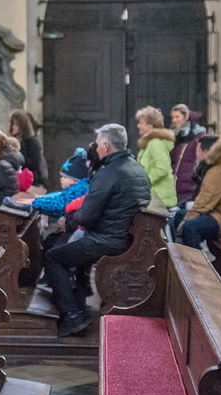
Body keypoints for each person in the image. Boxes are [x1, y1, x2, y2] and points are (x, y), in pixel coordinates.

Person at [44, 124, 151, 337]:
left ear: (105, 145)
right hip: (125, 237)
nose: (96, 148)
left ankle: (74, 315)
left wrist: (69, 222)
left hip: (108, 240)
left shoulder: (109, 173)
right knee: (64, 244)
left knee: (53, 257)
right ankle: (79, 301)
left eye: (98, 143)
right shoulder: (136, 168)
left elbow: (86, 216)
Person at [176, 135, 221, 249]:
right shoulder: (220, 167)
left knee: (191, 227)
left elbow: (203, 203)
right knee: (180, 215)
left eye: (198, 150)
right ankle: (183, 255)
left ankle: (194, 263)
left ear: (206, 152)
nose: (196, 154)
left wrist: (183, 224)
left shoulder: (219, 171)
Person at [135, 106, 177, 209]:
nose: (138, 126)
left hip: (158, 199)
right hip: (155, 198)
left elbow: (162, 168)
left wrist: (144, 183)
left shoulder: (155, 143)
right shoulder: (149, 143)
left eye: (141, 123)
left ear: (150, 126)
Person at [31, 147, 90, 220]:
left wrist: (35, 202)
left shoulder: (77, 192)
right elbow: (59, 196)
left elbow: (60, 204)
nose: (61, 179)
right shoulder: (74, 190)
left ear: (75, 180)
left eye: (65, 177)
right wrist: (42, 198)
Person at [169, 103, 206, 203]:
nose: (174, 120)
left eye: (177, 117)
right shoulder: (177, 137)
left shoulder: (198, 137)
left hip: (190, 187)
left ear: (186, 117)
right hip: (177, 185)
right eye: (173, 117)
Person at [10, 109, 44, 186]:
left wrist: (18, 160)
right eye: (12, 124)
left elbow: (35, 162)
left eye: (16, 125)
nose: (13, 127)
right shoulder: (11, 141)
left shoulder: (30, 142)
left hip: (29, 179)